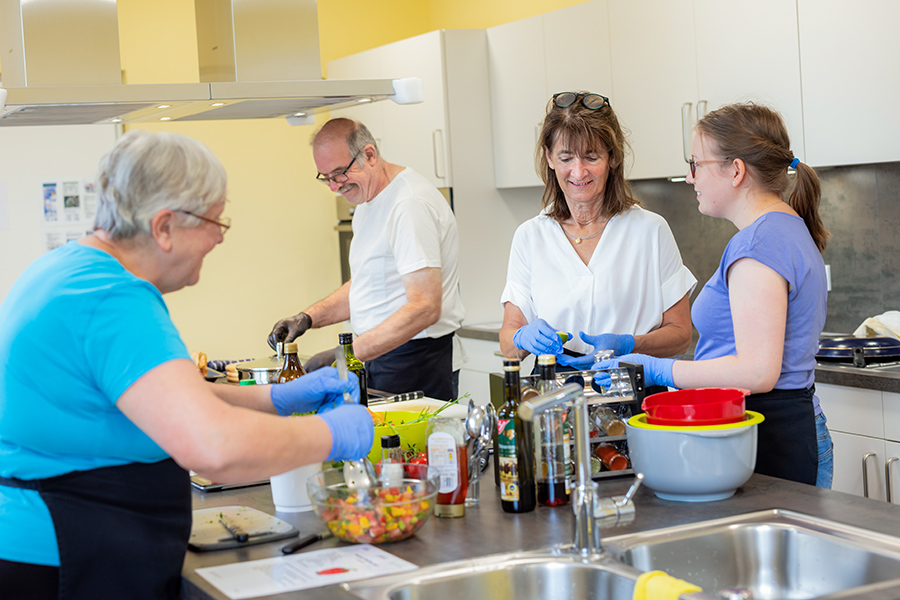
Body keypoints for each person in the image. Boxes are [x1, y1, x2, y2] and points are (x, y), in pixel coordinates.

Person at [0, 130, 373, 600]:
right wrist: (335, 434)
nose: (219, 237)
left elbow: (155, 395)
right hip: (70, 555)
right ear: (163, 226)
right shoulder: (113, 298)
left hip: (61, 544)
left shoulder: (68, 270)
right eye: (212, 220)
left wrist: (272, 398)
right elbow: (213, 447)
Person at [595, 102, 833, 488]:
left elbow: (757, 372)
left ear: (736, 170)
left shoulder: (759, 244)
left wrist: (657, 368)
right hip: (785, 426)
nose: (691, 178)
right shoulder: (784, 228)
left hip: (769, 435)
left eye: (696, 164)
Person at [499, 91, 697, 377]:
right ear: (549, 157)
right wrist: (520, 338)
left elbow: (681, 335)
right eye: (566, 157)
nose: (578, 172)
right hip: (555, 393)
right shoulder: (530, 236)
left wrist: (628, 345)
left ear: (612, 157)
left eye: (591, 157)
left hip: (627, 387)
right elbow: (509, 343)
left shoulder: (650, 231)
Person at [268, 118, 466, 401]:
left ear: (369, 155)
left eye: (339, 174)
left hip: (416, 363)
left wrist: (343, 355)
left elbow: (425, 306)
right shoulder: (367, 201)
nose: (334, 187)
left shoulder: (408, 204)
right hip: (380, 356)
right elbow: (369, 283)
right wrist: (308, 318)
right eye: (326, 178)